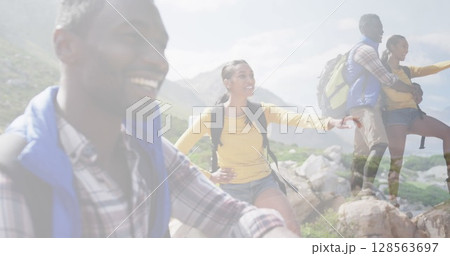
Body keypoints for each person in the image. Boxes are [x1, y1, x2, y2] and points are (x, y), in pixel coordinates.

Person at [0, 0, 297, 238]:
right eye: (132, 36)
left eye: (161, 45)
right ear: (66, 45)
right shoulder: (13, 180)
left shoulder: (148, 146)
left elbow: (228, 215)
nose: (159, 60)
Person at [175, 59, 359, 235]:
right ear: (228, 83)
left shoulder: (263, 111)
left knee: (291, 228)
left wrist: (330, 122)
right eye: (242, 76)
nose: (250, 80)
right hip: (232, 188)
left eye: (251, 75)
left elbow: (297, 119)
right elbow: (177, 152)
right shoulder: (212, 116)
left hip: (264, 183)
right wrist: (210, 176)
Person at [344, 14, 418, 196]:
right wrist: (411, 89)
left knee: (361, 152)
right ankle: (367, 189)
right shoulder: (366, 50)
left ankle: (354, 193)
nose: (382, 30)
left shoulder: (367, 50)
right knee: (379, 143)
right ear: (366, 28)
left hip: (358, 105)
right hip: (365, 106)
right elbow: (387, 79)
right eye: (378, 26)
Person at [380, 34, 450, 206]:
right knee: (397, 161)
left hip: (414, 114)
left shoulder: (406, 70)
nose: (407, 50)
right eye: (403, 46)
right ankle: (393, 200)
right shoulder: (380, 70)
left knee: (448, 133)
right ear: (392, 47)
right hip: (395, 116)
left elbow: (430, 68)